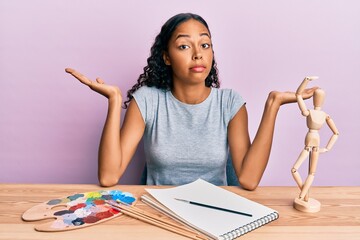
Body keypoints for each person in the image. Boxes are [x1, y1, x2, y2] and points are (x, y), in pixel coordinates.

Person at [66, 13, 317, 189]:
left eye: (205, 44)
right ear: (166, 57)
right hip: (159, 213)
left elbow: (249, 181)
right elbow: (109, 177)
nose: (198, 54)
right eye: (184, 46)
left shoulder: (230, 103)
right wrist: (114, 100)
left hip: (215, 215)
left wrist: (273, 105)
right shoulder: (147, 101)